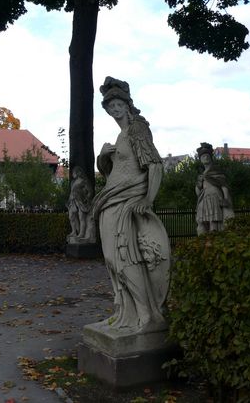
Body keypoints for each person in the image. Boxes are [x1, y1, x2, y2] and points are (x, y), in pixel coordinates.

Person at [91, 77, 171, 333]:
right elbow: (115, 171)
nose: (114, 110)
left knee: (124, 258)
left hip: (126, 202)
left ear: (127, 105)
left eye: (117, 105)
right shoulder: (121, 134)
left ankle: (146, 316)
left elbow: (155, 165)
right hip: (112, 200)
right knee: (113, 261)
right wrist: (103, 158)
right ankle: (125, 313)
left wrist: (148, 199)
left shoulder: (137, 128)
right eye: (109, 106)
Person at [195, 142, 233, 235]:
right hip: (205, 199)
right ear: (200, 159)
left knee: (214, 222)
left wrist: (226, 198)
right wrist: (198, 184)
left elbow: (223, 185)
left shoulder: (216, 171)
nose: (206, 158)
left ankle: (214, 240)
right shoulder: (201, 175)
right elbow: (198, 192)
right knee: (203, 222)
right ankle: (205, 241)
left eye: (207, 156)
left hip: (215, 198)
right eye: (203, 156)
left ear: (211, 158)